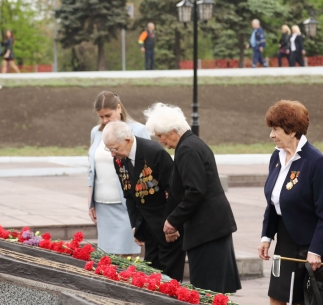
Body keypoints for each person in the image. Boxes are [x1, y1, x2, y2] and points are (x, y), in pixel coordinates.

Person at [145, 103, 241, 293]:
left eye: (160, 135)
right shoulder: (191, 144)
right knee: (212, 290)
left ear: (172, 131)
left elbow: (195, 191)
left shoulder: (187, 149)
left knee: (208, 290)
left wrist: (173, 220)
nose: (160, 140)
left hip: (208, 231)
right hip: (211, 228)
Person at [258, 100, 323, 305]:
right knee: (276, 297)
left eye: (276, 129)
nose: (272, 135)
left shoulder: (316, 161)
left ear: (292, 130)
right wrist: (266, 236)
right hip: (285, 240)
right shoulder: (276, 157)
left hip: (311, 243)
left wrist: (316, 250)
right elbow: (273, 201)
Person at [102, 121, 186, 281]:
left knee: (170, 279)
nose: (112, 154)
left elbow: (174, 192)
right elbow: (129, 195)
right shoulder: (119, 159)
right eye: (109, 149)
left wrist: (172, 225)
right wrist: (135, 225)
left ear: (127, 140)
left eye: (114, 148)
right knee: (151, 276)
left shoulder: (154, 153)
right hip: (147, 227)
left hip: (167, 227)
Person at [88, 91, 150, 256]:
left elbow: (147, 165)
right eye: (101, 117)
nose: (104, 120)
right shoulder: (96, 132)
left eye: (108, 115)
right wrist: (91, 202)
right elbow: (91, 169)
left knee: (126, 255)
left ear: (119, 108)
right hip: (102, 203)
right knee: (106, 256)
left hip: (126, 203)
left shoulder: (138, 130)